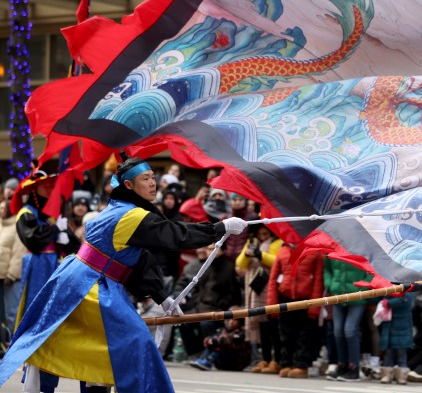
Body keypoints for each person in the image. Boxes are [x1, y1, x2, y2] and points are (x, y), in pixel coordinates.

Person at [0, 156, 249, 393]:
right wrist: (219, 228)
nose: (153, 183)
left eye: (154, 177)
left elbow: (140, 260)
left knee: (99, 349)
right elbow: (175, 235)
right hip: (89, 286)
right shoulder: (130, 215)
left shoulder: (122, 208)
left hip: (83, 281)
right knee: (134, 343)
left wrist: (163, 299)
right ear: (128, 185)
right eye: (145, 179)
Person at [10, 171, 82, 393]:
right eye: (45, 186)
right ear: (34, 190)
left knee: (54, 327)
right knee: (37, 323)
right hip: (39, 270)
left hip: (56, 269)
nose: (50, 190)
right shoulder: (26, 213)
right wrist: (53, 229)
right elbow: (34, 240)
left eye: (52, 186)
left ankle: (48, 382)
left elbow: (74, 247)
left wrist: (63, 232)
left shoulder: (53, 215)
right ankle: (33, 380)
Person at [176, 242, 242, 361]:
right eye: (209, 249)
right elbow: (197, 288)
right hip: (199, 306)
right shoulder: (205, 266)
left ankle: (211, 353)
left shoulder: (229, 268)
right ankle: (195, 353)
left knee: (206, 324)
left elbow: (233, 294)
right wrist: (195, 301)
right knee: (182, 322)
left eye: (214, 249)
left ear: (222, 250)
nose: (210, 252)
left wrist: (222, 305)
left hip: (217, 308)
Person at [267, 243, 324, 379]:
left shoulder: (315, 251)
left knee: (304, 335)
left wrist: (315, 306)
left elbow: (318, 280)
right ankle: (286, 363)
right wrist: (271, 304)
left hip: (306, 299)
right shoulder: (283, 250)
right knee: (286, 334)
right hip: (285, 297)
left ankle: (301, 364)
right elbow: (273, 279)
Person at [236, 224, 283, 374]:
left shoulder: (278, 243)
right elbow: (240, 264)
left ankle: (277, 360)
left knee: (273, 326)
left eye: (265, 234)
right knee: (261, 326)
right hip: (255, 289)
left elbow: (277, 261)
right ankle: (265, 358)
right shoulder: (252, 241)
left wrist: (260, 255)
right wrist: (248, 253)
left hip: (270, 287)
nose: (262, 237)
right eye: (260, 234)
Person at [324, 258, 372, 382]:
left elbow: (373, 271)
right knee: (338, 332)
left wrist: (363, 288)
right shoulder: (332, 247)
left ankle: (354, 368)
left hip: (357, 296)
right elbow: (327, 269)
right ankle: (342, 366)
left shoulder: (361, 246)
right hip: (337, 295)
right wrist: (330, 285)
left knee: (350, 331)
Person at [189, 306, 251, 371]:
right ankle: (203, 358)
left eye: (235, 320)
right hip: (223, 362)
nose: (231, 322)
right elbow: (216, 337)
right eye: (230, 319)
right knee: (213, 343)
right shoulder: (223, 330)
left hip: (236, 362)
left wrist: (216, 341)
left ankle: (208, 361)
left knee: (220, 345)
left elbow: (228, 340)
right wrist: (210, 340)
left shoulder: (242, 332)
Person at [0, 199, 26, 332]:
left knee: (11, 313)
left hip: (10, 278)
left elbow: (18, 252)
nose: (1, 210)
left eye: (3, 208)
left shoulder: (17, 225)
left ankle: (12, 342)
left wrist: (11, 274)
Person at [377, 292, 413, 385]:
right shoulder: (388, 290)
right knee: (388, 352)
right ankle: (386, 374)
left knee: (401, 353)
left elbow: (405, 300)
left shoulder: (408, 289)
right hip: (389, 325)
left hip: (402, 327)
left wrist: (387, 303)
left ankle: (401, 375)